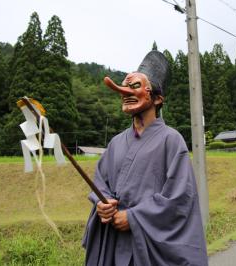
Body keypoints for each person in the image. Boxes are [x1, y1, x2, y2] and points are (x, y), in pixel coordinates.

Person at [82, 51, 208, 266]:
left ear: (157, 99)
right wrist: (102, 203)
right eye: (124, 89)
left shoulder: (171, 140)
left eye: (135, 88)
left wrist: (133, 217)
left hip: (150, 245)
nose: (125, 93)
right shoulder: (116, 143)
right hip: (115, 240)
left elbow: (178, 197)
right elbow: (100, 183)